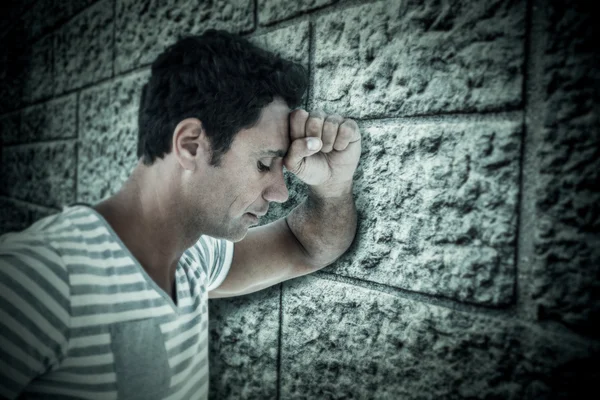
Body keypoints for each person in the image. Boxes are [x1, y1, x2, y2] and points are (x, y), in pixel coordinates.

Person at [0, 29, 360, 399]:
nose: (281, 192)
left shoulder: (194, 257)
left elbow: (307, 246)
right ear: (190, 145)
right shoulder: (41, 276)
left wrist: (333, 186)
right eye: (264, 163)